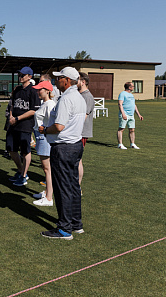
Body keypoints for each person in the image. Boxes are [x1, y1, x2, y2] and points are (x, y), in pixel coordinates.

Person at [38, 67, 86, 239]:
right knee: (73, 186)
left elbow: (59, 126)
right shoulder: (79, 97)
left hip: (64, 147)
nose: (57, 81)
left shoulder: (67, 99)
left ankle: (65, 228)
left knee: (62, 188)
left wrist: (44, 130)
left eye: (59, 78)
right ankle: (75, 223)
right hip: (75, 144)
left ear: (66, 80)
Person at [7, 67, 40, 187]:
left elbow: (33, 110)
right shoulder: (17, 90)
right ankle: (21, 171)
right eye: (19, 74)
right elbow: (12, 105)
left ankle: (24, 175)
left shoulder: (33, 91)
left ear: (29, 76)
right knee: (11, 149)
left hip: (25, 124)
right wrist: (11, 117)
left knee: (25, 150)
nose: (20, 76)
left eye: (23, 75)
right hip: (13, 123)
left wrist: (17, 118)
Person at [31, 80, 56, 206]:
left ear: (47, 91)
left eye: (40, 89)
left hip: (45, 137)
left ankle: (49, 197)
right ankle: (47, 192)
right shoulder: (45, 103)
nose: (38, 91)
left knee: (47, 169)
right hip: (41, 136)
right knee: (46, 168)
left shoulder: (49, 104)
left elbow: (51, 123)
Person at [77, 72, 95, 189]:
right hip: (77, 132)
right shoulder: (79, 95)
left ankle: (77, 187)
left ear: (83, 82)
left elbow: (83, 117)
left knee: (77, 160)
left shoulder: (87, 97)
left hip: (81, 132)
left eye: (77, 80)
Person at [117, 81, 143, 149]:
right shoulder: (122, 94)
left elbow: (134, 105)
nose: (133, 87)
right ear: (129, 87)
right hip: (125, 114)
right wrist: (123, 114)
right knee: (121, 129)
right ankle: (120, 144)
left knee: (132, 130)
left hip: (131, 115)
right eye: (133, 86)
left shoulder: (131, 95)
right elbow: (120, 104)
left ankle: (132, 144)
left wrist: (139, 115)